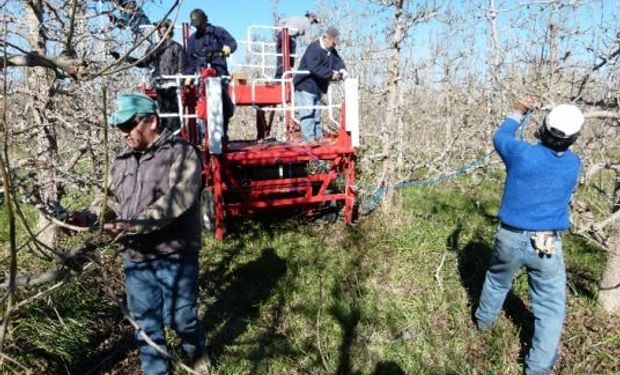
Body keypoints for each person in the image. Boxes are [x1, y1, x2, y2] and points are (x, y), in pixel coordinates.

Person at [71, 94, 209, 374]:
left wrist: (133, 224)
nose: (123, 134)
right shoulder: (121, 160)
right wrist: (87, 217)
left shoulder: (181, 152)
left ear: (151, 121)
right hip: (135, 256)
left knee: (182, 319)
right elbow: (108, 201)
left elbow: (178, 199)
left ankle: (195, 349)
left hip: (176, 252)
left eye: (128, 126)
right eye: (119, 128)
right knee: (146, 327)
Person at [475, 98, 584, 375]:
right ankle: (537, 369)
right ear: (574, 138)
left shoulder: (520, 153)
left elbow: (500, 136)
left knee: (497, 281)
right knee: (550, 309)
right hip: (547, 244)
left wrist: (519, 111)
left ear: (544, 128)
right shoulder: (574, 164)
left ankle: (483, 323)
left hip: (509, 237)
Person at [111, 19, 186, 131]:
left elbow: (183, 69)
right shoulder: (154, 48)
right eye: (160, 28)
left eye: (164, 28)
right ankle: (167, 139)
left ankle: (175, 138)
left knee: (173, 117)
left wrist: (181, 83)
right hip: (160, 86)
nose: (162, 31)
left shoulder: (177, 48)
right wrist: (124, 58)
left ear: (169, 30)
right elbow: (142, 62)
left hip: (173, 87)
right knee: (164, 117)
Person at [184, 8, 236, 142]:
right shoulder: (192, 40)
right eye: (195, 25)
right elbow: (190, 60)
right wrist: (189, 76)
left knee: (223, 106)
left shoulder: (218, 32)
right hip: (202, 78)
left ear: (205, 21)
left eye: (199, 24)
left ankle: (222, 134)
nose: (198, 28)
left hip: (220, 75)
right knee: (203, 106)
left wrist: (228, 47)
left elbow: (232, 43)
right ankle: (205, 135)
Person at [293, 27, 347, 143]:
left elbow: (338, 61)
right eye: (333, 43)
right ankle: (309, 140)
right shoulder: (314, 48)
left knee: (317, 113)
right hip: (305, 85)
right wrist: (331, 74)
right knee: (308, 113)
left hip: (317, 87)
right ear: (327, 38)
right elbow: (314, 67)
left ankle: (318, 137)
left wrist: (342, 70)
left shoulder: (331, 50)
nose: (334, 46)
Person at [274, 11, 320, 79]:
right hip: (289, 38)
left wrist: (279, 32)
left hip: (281, 36)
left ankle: (278, 78)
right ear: (311, 17)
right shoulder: (307, 24)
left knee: (281, 58)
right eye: (314, 21)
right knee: (290, 60)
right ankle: (287, 78)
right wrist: (316, 46)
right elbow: (307, 40)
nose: (313, 23)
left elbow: (280, 22)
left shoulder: (295, 17)